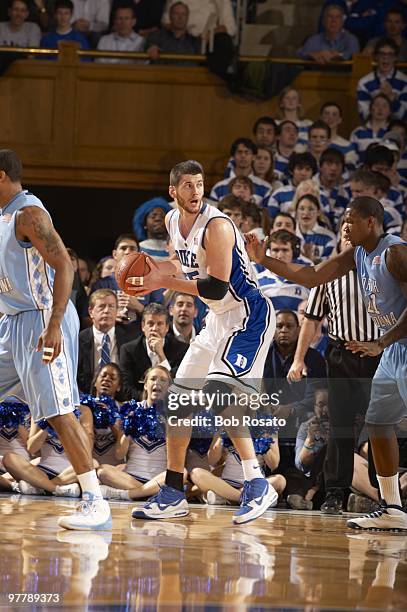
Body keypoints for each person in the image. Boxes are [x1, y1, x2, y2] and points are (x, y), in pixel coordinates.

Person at [127, 159, 278, 523]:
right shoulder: (170, 221)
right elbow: (180, 267)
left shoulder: (218, 226)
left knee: (218, 392)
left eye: (200, 184)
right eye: (188, 186)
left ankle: (257, 482)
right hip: (216, 320)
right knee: (179, 402)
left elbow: (215, 285)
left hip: (248, 317)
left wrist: (161, 283)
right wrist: (152, 273)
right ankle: (174, 490)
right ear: (173, 191)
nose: (195, 192)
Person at [246, 196, 407, 531]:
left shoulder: (395, 253)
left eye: (351, 220)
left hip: (394, 345)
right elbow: (312, 275)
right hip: (391, 351)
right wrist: (265, 260)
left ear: (372, 222)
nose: (345, 226)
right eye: (343, 220)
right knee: (378, 423)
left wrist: (381, 341)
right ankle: (393, 506)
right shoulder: (359, 253)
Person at [0, 149, 110, 530]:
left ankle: (95, 499)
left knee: (59, 412)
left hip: (42, 320)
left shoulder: (29, 213)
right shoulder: (2, 217)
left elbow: (64, 264)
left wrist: (55, 323)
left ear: (1, 177)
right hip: (11, 322)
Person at [287, 220, 382, 514]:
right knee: (339, 427)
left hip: (379, 355)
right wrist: (299, 358)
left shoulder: (383, 268)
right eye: (344, 232)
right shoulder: (328, 272)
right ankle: (335, 493)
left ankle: (383, 493)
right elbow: (312, 318)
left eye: (353, 231)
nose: (348, 237)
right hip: (341, 355)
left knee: (381, 427)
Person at [97, 366, 170, 500]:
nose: (157, 383)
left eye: (163, 380)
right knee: (102, 471)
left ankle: (127, 494)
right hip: (131, 477)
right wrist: (127, 430)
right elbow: (119, 454)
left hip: (158, 478)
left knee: (181, 474)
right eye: (153, 379)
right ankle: (151, 494)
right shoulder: (132, 410)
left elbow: (175, 460)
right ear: (146, 384)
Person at [119, 302, 188, 400]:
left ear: (167, 327)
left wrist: (161, 355)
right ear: (143, 326)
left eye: (159, 324)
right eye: (150, 324)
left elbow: (178, 386)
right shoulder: (129, 350)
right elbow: (126, 388)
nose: (154, 329)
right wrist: (148, 401)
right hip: (139, 406)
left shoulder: (181, 349)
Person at [78, 289, 139, 394]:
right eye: (102, 306)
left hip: (123, 399)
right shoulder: (79, 340)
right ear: (91, 312)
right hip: (88, 399)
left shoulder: (130, 337)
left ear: (116, 311)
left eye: (111, 306)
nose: (106, 311)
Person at [357, 38, 407, 123]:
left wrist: (391, 97)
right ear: (376, 56)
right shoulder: (364, 82)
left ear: (395, 57)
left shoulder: (404, 81)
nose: (385, 58)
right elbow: (364, 115)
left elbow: (404, 115)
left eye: (390, 54)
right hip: (373, 130)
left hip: (397, 131)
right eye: (382, 54)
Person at [266, 152, 318, 219]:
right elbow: (270, 219)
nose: (303, 173)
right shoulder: (279, 194)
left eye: (307, 169)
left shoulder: (320, 195)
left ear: (312, 173)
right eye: (300, 168)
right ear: (292, 170)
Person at [351, 94, 392, 164]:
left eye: (384, 106)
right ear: (370, 109)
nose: (380, 109)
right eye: (377, 105)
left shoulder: (392, 133)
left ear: (390, 112)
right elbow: (352, 157)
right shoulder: (358, 132)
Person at [320, 101, 359, 173]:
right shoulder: (312, 142)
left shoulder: (347, 145)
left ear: (340, 120)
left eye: (334, 114)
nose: (330, 118)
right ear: (321, 118)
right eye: (326, 114)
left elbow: (350, 172)